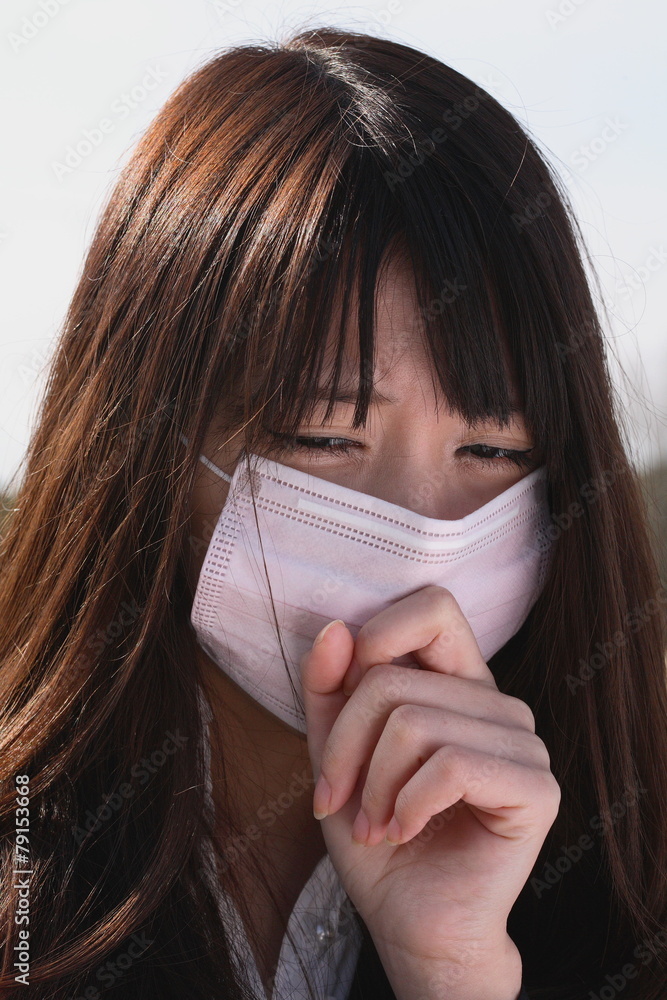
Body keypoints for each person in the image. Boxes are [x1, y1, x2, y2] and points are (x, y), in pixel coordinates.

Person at [0, 25, 665, 1000]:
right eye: (321, 438)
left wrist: (453, 969)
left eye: (491, 451)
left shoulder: (629, 881)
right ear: (147, 441)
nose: (418, 536)